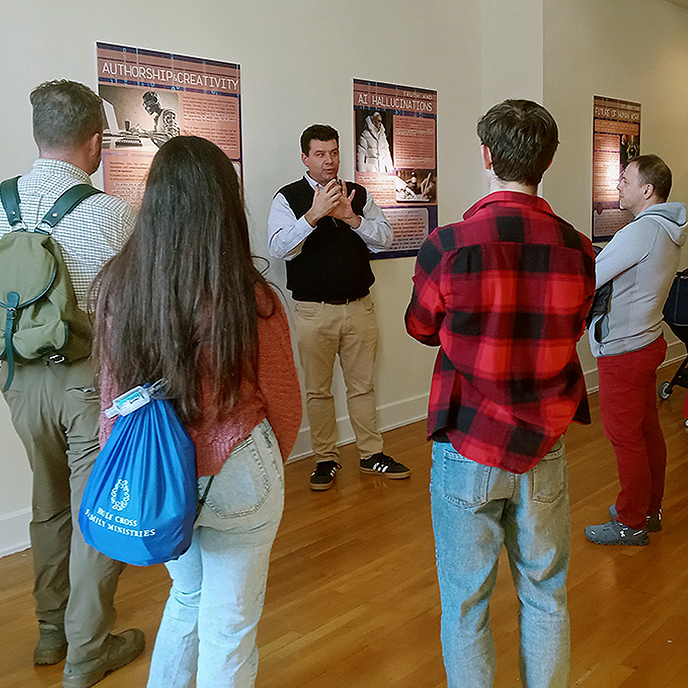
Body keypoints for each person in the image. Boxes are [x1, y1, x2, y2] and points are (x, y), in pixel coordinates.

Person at [94, 136, 302, 687]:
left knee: (187, 597)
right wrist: (260, 466)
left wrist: (129, 467)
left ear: (154, 199)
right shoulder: (248, 292)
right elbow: (284, 401)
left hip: (157, 472)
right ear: (224, 203)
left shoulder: (119, 288)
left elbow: (112, 403)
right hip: (240, 463)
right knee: (229, 627)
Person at [405, 99, 595, 688]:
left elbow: (420, 326)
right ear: (549, 161)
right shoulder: (577, 247)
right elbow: (575, 325)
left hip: (470, 437)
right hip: (544, 441)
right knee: (546, 594)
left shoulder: (448, 244)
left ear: (487, 156)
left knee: (466, 604)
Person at [0, 79, 141, 688]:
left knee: (48, 505)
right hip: (86, 378)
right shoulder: (108, 212)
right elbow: (134, 301)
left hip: (18, 379)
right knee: (94, 511)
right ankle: (88, 651)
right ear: (95, 140)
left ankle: (51, 633)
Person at [267, 124, 409, 491]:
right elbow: (278, 248)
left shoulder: (358, 194)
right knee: (318, 390)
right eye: (319, 154)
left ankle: (370, 454)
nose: (328, 161)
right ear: (305, 158)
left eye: (333, 153)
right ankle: (325, 459)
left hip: (359, 307)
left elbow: (387, 239)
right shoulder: (288, 197)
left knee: (362, 387)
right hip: (313, 313)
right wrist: (313, 216)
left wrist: (351, 218)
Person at [584, 154, 687, 545]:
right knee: (646, 432)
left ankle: (630, 521)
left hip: (624, 350)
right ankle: (649, 507)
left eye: (625, 179)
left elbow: (590, 277)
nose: (618, 186)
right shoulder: (665, 227)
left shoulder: (641, 232)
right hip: (646, 340)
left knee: (625, 437)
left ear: (647, 189)